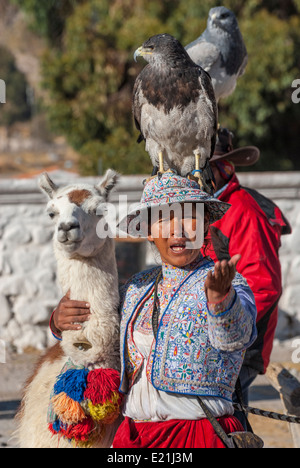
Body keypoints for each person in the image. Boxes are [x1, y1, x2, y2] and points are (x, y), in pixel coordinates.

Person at [50, 172, 257, 449]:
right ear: (148, 230)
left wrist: (220, 301)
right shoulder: (136, 289)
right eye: (164, 219)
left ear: (206, 223)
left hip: (199, 437)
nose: (178, 230)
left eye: (189, 217)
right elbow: (99, 332)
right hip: (133, 438)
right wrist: (59, 321)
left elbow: (237, 338)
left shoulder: (229, 284)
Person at [206, 128, 292, 425]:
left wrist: (222, 327)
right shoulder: (207, 209)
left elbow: (263, 286)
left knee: (227, 428)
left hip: (238, 349)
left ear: (222, 168)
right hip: (217, 342)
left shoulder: (243, 210)